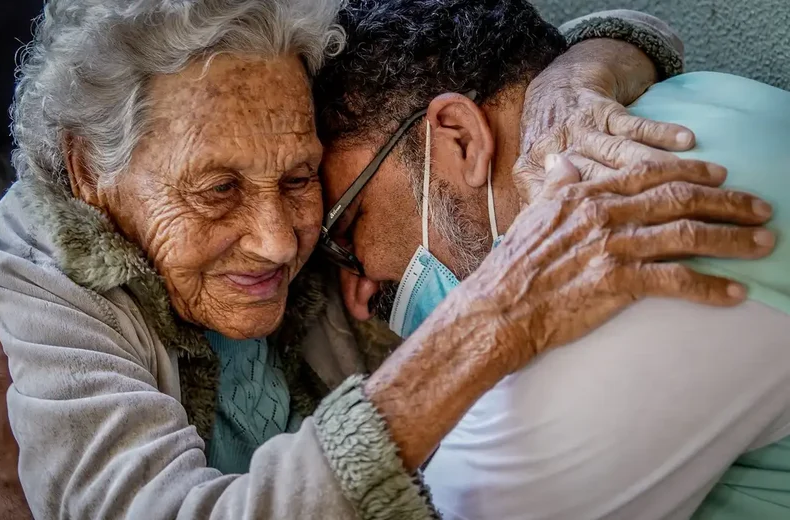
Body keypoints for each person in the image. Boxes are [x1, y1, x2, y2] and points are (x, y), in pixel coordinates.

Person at [0, 1, 772, 519]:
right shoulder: (33, 297)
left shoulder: (297, 184)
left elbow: (482, 80)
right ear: (91, 170)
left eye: (302, 179)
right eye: (218, 190)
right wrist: (488, 323)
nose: (281, 240)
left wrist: (588, 63)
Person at [311, 1, 790, 518]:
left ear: (461, 137)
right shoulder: (701, 99)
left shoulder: (617, 270)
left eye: (348, 227)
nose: (357, 297)